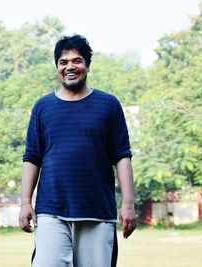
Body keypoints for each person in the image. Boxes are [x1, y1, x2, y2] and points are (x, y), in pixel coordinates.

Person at [18, 34, 136, 267]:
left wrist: (128, 204)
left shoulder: (108, 104)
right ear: (57, 68)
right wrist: (25, 203)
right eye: (63, 62)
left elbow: (122, 156)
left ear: (87, 66)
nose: (70, 66)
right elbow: (32, 158)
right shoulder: (43, 107)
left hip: (98, 212)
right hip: (51, 212)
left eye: (76, 60)